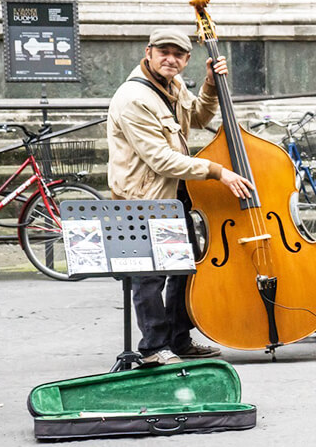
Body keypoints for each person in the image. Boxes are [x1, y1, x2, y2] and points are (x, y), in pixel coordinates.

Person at [107, 28, 254, 366]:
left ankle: (178, 339)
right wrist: (218, 171)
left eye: (178, 54)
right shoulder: (134, 98)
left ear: (187, 59)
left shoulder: (172, 87)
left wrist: (211, 85)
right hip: (141, 199)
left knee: (184, 267)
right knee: (150, 275)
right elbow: (160, 159)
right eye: (164, 52)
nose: (170, 58)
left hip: (173, 196)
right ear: (149, 52)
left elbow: (200, 117)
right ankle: (153, 348)